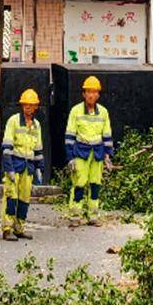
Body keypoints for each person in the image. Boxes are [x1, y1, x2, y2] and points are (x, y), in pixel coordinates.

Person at [64, 75, 114, 224]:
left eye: (94, 92)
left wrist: (107, 156)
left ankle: (93, 215)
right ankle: (75, 215)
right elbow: (69, 135)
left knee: (95, 184)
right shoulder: (76, 111)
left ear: (98, 94)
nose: (91, 95)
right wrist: (70, 157)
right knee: (79, 184)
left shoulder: (103, 112)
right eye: (88, 92)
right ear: (83, 94)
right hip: (81, 152)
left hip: (97, 153)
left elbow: (107, 134)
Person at [0, 87, 43, 241]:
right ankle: (7, 229)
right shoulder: (14, 121)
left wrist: (39, 168)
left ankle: (19, 228)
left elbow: (38, 149)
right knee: (11, 197)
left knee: (24, 198)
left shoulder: (36, 125)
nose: (28, 108)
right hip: (15, 165)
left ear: (36, 107)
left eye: (31, 105)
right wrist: (9, 168)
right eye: (25, 105)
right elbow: (6, 146)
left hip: (28, 167)